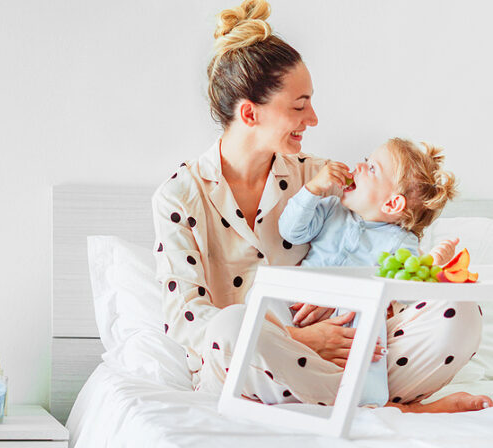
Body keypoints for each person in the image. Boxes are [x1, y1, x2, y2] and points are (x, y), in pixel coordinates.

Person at [152, 0, 492, 412]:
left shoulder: (323, 178)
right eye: (299, 106)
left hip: (350, 348)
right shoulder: (179, 197)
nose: (312, 119)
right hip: (254, 365)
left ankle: (344, 398)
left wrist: (354, 298)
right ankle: (388, 409)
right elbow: (184, 317)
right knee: (230, 327)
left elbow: (386, 233)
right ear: (250, 113)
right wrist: (295, 339)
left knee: (460, 314)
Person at [278, 138, 459, 407]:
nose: (359, 166)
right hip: (298, 306)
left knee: (367, 321)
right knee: (263, 308)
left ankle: (365, 398)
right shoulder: (331, 209)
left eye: (372, 168)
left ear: (392, 204)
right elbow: (290, 231)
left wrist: (430, 266)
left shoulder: (400, 243)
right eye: (365, 159)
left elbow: (409, 294)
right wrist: (314, 188)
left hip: (348, 319)